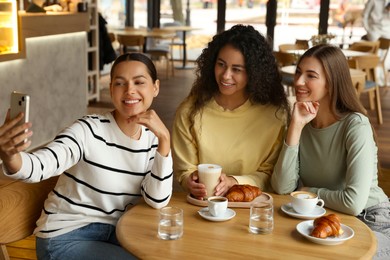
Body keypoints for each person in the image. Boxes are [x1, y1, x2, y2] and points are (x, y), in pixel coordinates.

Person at [0, 53, 173, 259]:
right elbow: (41, 164)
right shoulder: (88, 130)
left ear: (155, 87)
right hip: (66, 237)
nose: (129, 90)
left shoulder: (152, 139)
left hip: (117, 232)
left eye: (139, 82)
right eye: (120, 83)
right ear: (111, 89)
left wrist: (164, 139)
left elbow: (157, 200)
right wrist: (10, 156)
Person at [271, 44, 390, 259]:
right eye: (298, 72)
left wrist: (308, 191)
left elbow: (353, 203)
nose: (298, 82)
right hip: (322, 218)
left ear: (331, 83)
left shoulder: (356, 126)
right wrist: (296, 127)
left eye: (311, 76)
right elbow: (282, 187)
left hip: (370, 219)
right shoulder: (302, 121)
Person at [172, 24, 289, 200]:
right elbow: (184, 170)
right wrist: (190, 180)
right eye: (221, 64)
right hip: (202, 208)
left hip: (253, 207)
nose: (225, 75)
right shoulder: (190, 112)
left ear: (253, 73)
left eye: (237, 69)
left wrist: (235, 182)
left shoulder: (274, 115)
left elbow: (270, 173)